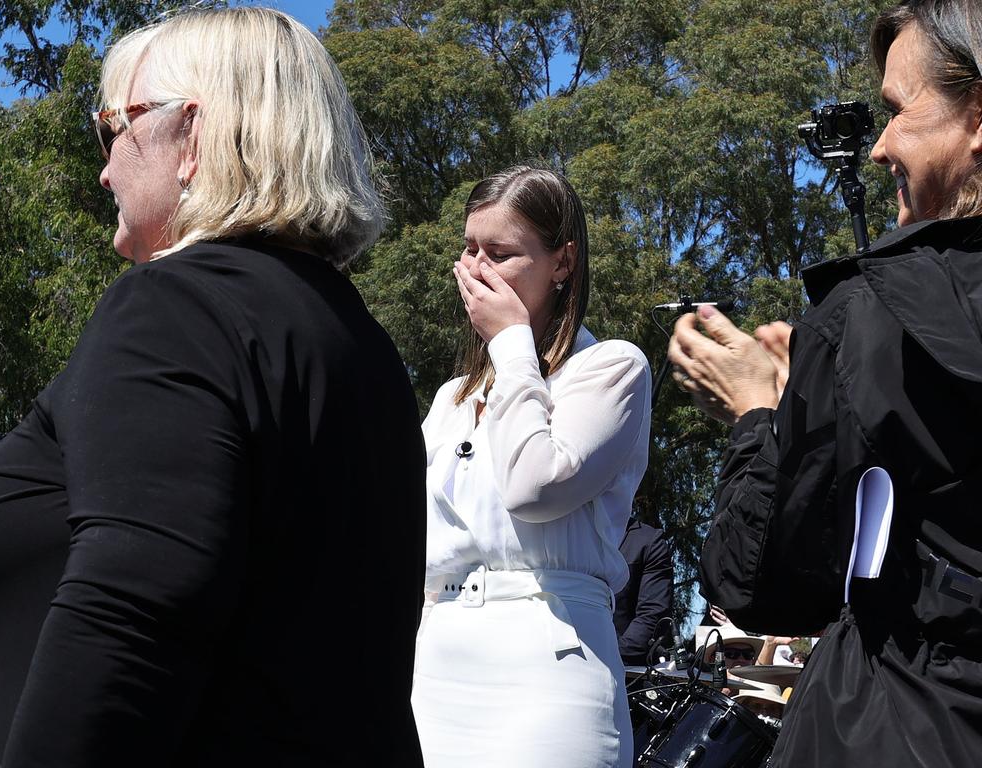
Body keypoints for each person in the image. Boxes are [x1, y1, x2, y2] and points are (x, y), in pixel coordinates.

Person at [0, 8, 426, 767]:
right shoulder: (356, 341)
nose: (105, 167)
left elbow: (133, 610)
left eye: (115, 127)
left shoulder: (172, 306)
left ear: (193, 137)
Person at [668, 1, 982, 764]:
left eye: (897, 111)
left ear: (976, 119)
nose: (878, 148)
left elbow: (763, 582)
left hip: (901, 724)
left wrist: (758, 415)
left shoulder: (870, 312)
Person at [412, 166, 651, 768]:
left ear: (562, 263)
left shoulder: (610, 369)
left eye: (501, 253)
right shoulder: (452, 399)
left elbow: (534, 486)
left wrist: (512, 343)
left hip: (549, 664)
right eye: (469, 249)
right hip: (436, 669)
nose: (476, 270)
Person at [614, 518, 674, 665]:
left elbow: (653, 612)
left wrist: (614, 655)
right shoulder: (564, 532)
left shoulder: (647, 541)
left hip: (624, 669)